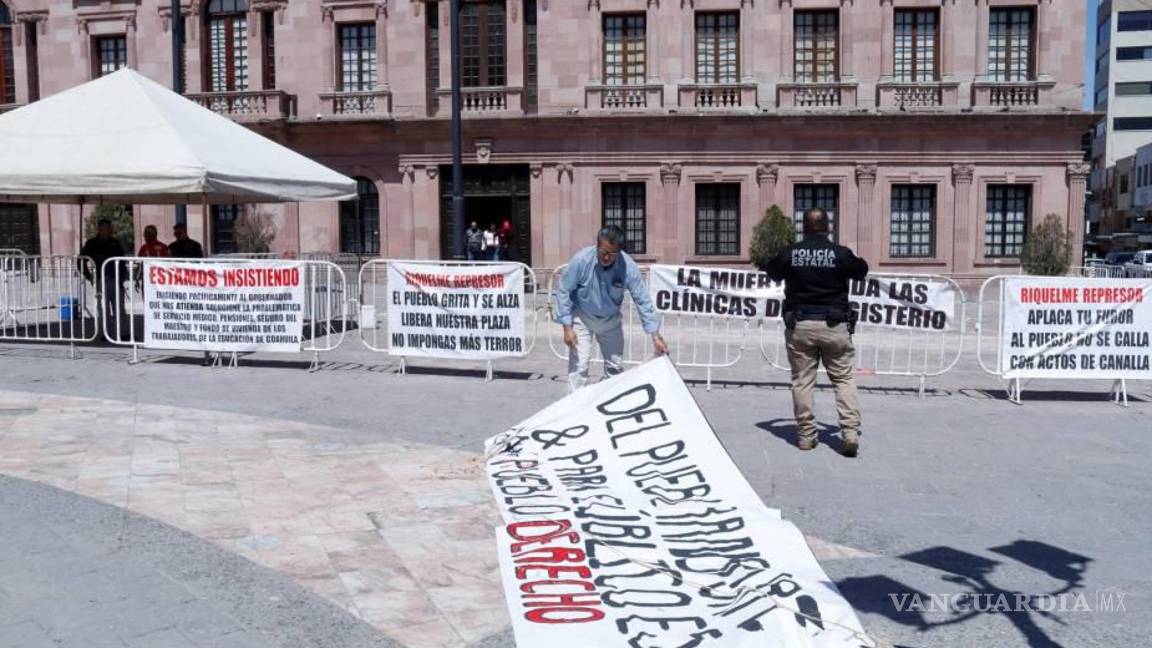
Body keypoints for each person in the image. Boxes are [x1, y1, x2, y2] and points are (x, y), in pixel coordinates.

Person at [760, 208, 869, 457]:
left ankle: (807, 436)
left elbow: (771, 270)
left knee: (802, 381)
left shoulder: (792, 253)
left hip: (801, 325)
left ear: (804, 227)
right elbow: (862, 270)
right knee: (843, 379)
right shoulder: (840, 253)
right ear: (828, 227)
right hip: (835, 326)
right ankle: (850, 433)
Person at [555, 225, 667, 393]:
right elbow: (563, 289)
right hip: (582, 318)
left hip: (610, 320)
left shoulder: (628, 267)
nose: (606, 257)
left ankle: (610, 410)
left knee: (615, 368)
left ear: (619, 251)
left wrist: (655, 336)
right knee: (579, 368)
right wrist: (567, 327)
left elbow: (642, 300)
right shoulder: (581, 260)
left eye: (612, 253)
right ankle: (574, 409)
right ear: (597, 246)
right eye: (602, 252)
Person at [80, 218, 126, 339]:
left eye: (110, 228)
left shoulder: (115, 242)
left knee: (119, 308)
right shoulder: (92, 243)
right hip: (101, 279)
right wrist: (88, 276)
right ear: (100, 229)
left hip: (115, 279)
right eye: (106, 228)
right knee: (103, 308)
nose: (109, 230)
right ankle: (106, 333)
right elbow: (81, 260)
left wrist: (123, 277)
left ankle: (121, 333)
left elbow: (122, 261)